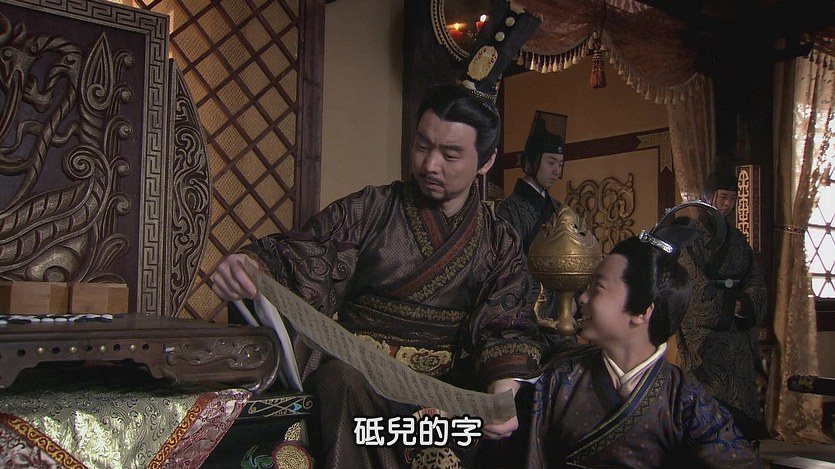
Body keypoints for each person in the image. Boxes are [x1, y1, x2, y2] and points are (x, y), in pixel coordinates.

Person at [210, 3, 544, 467]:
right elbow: (302, 256)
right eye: (422, 145)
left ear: (485, 162)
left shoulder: (498, 242)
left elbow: (506, 325)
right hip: (357, 386)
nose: (430, 164)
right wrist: (249, 266)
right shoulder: (371, 209)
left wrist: (503, 391)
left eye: (450, 154)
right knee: (342, 380)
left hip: (440, 401)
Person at [521, 217, 764, 468]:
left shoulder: (685, 400)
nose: (582, 298)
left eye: (598, 287)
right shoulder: (559, 379)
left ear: (642, 312)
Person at [675, 170, 769, 441]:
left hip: (737, 329)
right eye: (723, 197)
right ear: (709, 196)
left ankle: (741, 445)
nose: (727, 204)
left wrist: (745, 303)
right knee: (709, 393)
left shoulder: (737, 239)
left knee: (743, 380)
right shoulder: (690, 236)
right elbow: (690, 281)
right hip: (705, 334)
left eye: (733, 199)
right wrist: (727, 305)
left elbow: (754, 279)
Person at [496, 113, 565, 323]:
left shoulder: (559, 208)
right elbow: (511, 266)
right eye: (551, 162)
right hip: (525, 308)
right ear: (532, 161)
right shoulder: (508, 209)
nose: (556, 171)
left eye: (560, 164)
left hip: (561, 306)